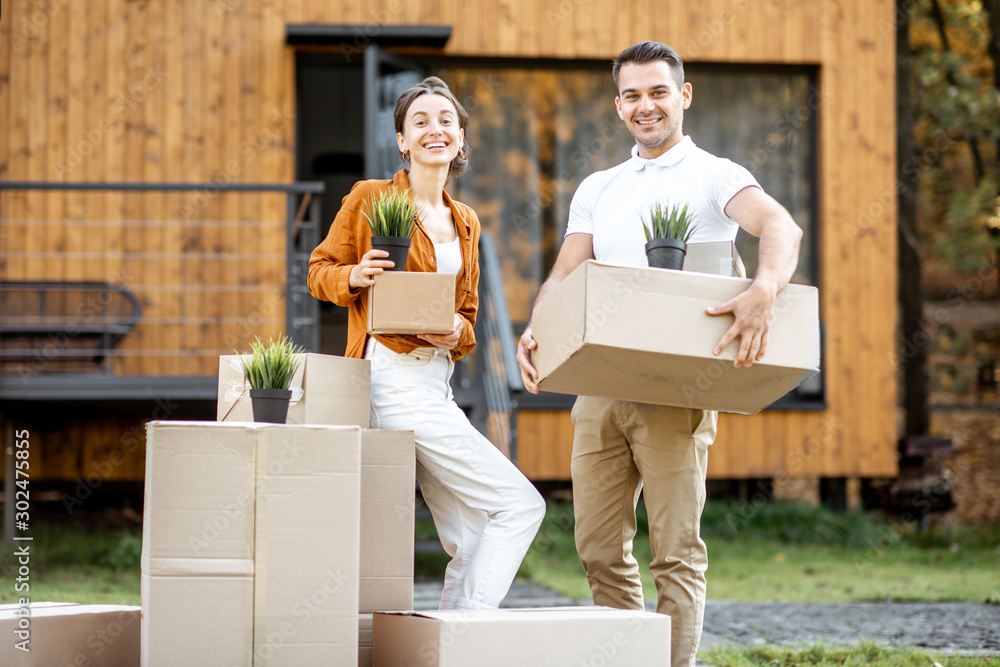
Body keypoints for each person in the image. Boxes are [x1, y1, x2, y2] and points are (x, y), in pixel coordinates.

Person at [516, 42, 803, 667]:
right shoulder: (599, 187)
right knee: (596, 546)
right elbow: (565, 273)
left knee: (675, 550)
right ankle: (628, 659)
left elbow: (781, 227)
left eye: (657, 92)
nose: (645, 106)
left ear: (684, 96)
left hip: (678, 387)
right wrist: (537, 328)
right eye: (632, 95)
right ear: (618, 105)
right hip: (599, 386)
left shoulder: (714, 175)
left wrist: (764, 289)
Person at [308, 76, 545, 611]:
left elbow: (468, 318)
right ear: (401, 140)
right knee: (520, 506)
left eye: (446, 121)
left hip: (437, 383)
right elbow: (318, 270)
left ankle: (446, 647)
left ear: (461, 138)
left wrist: (455, 333)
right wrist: (355, 277)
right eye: (420, 121)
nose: (433, 129)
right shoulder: (371, 198)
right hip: (391, 379)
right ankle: (471, 632)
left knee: (469, 535)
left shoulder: (465, 221)